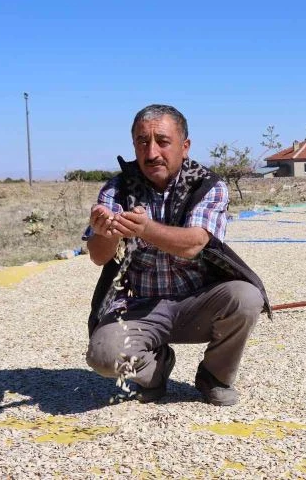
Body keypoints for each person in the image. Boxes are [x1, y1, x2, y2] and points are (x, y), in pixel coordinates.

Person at [83, 104, 270, 406]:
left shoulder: (208, 185)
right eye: (142, 142)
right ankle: (156, 368)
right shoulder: (116, 190)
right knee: (103, 357)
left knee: (246, 297)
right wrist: (108, 231)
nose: (152, 152)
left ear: (185, 147)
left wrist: (145, 228)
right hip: (139, 304)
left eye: (163, 141)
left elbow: (195, 243)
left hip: (198, 301)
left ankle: (214, 376)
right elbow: (98, 257)